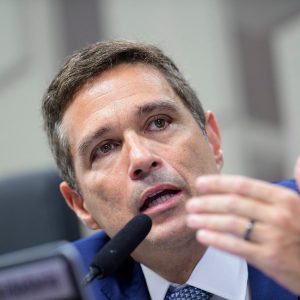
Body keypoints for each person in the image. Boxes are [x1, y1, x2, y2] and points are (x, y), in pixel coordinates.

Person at [42, 40, 300, 299]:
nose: (141, 159)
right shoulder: (66, 287)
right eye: (105, 148)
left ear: (212, 140)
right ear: (81, 205)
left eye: (158, 123)